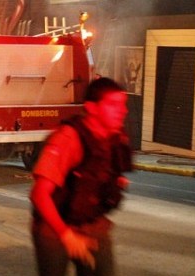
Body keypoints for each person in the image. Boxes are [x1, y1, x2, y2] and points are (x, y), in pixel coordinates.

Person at [30, 77, 132, 276]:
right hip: (54, 227)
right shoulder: (68, 138)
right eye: (113, 105)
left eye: (123, 105)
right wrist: (66, 236)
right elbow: (40, 195)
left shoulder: (115, 137)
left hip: (92, 222)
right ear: (92, 108)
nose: (122, 111)